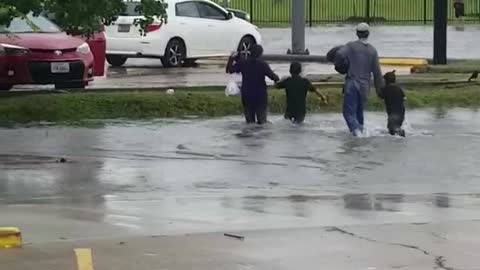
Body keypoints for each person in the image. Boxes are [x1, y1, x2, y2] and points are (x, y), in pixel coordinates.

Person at [335, 23, 384, 136]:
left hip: (352, 84)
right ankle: (360, 132)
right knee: (359, 113)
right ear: (368, 34)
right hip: (365, 87)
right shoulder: (373, 51)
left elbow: (339, 54)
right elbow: (377, 73)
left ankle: (357, 133)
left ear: (357, 33)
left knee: (348, 112)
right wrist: (380, 91)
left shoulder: (351, 46)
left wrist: (341, 67)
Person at [226, 44, 279, 124]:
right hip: (260, 95)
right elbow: (273, 77)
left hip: (247, 95)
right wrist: (277, 79)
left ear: (250, 52)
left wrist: (231, 58)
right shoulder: (263, 64)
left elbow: (229, 70)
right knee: (262, 122)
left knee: (249, 122)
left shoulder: (243, 63)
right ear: (260, 53)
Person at [380, 70, 406, 137]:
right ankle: (399, 132)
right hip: (401, 113)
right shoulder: (398, 88)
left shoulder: (385, 89)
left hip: (392, 114)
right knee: (394, 131)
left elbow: (380, 96)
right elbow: (404, 98)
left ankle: (400, 131)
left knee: (392, 130)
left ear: (385, 81)